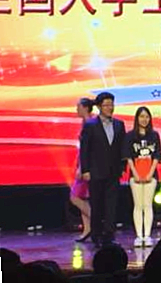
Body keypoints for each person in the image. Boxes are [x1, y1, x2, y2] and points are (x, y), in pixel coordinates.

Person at [79, 91, 127, 247]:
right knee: (97, 205)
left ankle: (109, 236)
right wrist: (85, 170)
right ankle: (96, 235)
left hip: (113, 172)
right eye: (106, 105)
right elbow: (84, 149)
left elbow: (122, 148)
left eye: (111, 104)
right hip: (95, 172)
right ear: (99, 107)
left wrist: (122, 167)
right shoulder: (90, 125)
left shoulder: (119, 124)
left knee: (111, 206)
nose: (110, 108)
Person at [123, 106, 161, 247]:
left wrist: (150, 173)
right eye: (141, 116)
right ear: (137, 118)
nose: (144, 119)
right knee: (138, 205)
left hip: (151, 175)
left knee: (148, 205)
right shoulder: (130, 136)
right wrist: (135, 173)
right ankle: (139, 236)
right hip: (135, 176)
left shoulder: (154, 135)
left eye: (147, 117)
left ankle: (147, 235)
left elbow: (157, 155)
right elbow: (128, 156)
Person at [70, 97, 94, 242]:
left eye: (78, 106)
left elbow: (90, 149)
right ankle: (87, 229)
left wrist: (82, 167)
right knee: (82, 197)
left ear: (85, 108)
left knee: (75, 197)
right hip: (82, 164)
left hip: (87, 167)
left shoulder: (90, 123)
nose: (76, 109)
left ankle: (96, 223)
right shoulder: (85, 122)